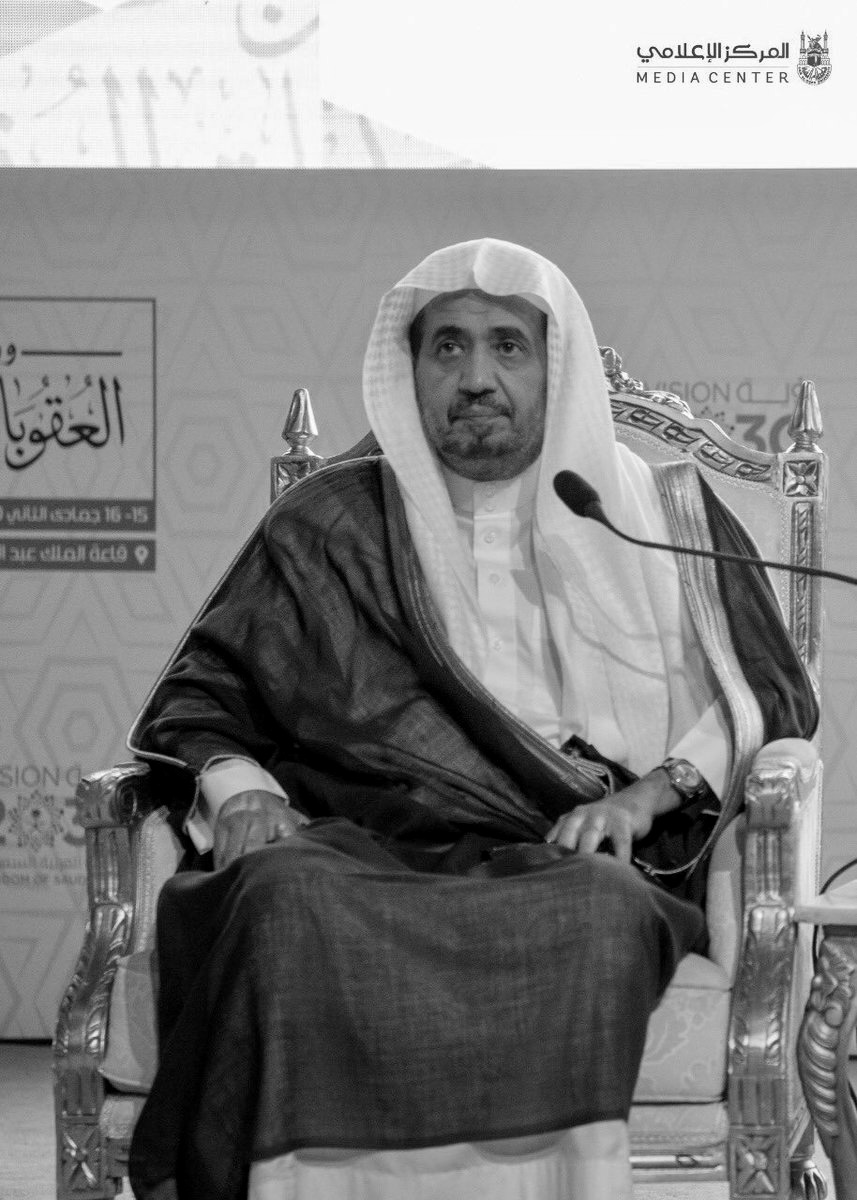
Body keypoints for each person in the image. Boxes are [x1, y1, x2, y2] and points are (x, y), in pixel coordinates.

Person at [127, 239, 817, 1200]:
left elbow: (768, 689)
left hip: (563, 848)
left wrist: (646, 798)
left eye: (507, 346)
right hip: (357, 846)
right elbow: (207, 695)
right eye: (447, 346)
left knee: (601, 909)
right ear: (408, 368)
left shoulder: (658, 514)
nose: (476, 377)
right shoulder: (329, 523)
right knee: (278, 898)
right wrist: (240, 790)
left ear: (554, 367)